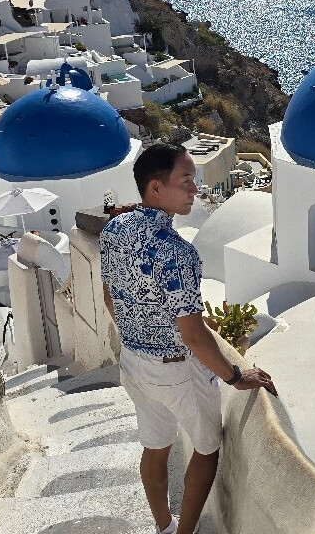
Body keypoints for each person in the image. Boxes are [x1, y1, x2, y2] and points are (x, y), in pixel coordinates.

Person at [100, 142, 276, 534]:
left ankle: (163, 526)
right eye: (186, 180)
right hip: (176, 371)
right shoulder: (177, 253)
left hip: (134, 362)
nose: (194, 188)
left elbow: (111, 296)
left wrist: (139, 331)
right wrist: (235, 376)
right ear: (156, 187)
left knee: (156, 447)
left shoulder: (114, 229)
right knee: (207, 449)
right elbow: (194, 334)